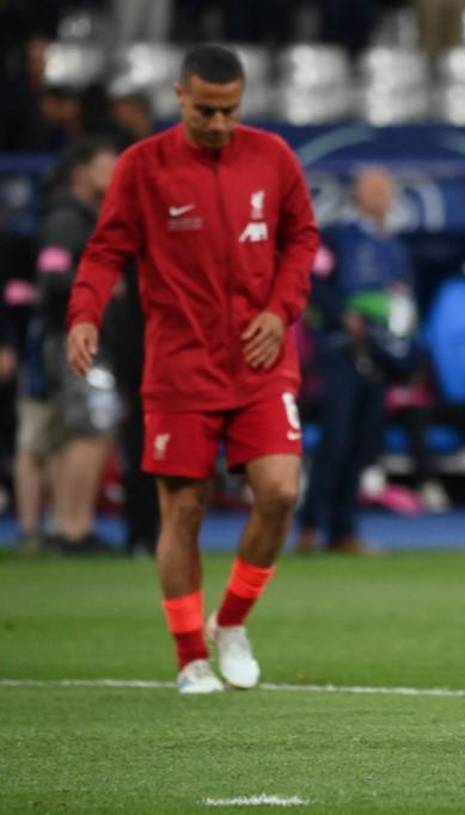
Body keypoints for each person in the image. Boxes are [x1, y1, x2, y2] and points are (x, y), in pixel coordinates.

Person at [65, 44, 318, 693]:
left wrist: (280, 309)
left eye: (230, 110)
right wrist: (85, 313)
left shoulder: (273, 156)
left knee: (281, 492)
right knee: (183, 511)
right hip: (180, 364)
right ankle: (190, 658)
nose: (219, 124)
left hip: (262, 357)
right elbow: (105, 250)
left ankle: (230, 623)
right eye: (206, 110)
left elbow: (302, 239)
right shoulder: (143, 166)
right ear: (180, 97)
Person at [298, 168, 415, 555]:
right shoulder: (337, 237)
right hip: (343, 353)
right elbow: (312, 283)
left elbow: (403, 297)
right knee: (335, 440)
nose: (381, 197)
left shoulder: (396, 246)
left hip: (381, 357)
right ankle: (310, 526)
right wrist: (343, 317)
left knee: (364, 443)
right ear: (358, 196)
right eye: (374, 190)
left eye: (387, 190)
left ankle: (343, 529)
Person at [15, 138, 122, 555]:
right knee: (90, 429)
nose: (113, 174)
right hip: (72, 337)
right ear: (81, 172)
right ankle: (72, 528)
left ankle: (75, 523)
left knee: (90, 429)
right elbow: (51, 279)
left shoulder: (90, 217)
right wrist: (101, 286)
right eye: (105, 165)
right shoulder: (65, 219)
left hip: (86, 336)